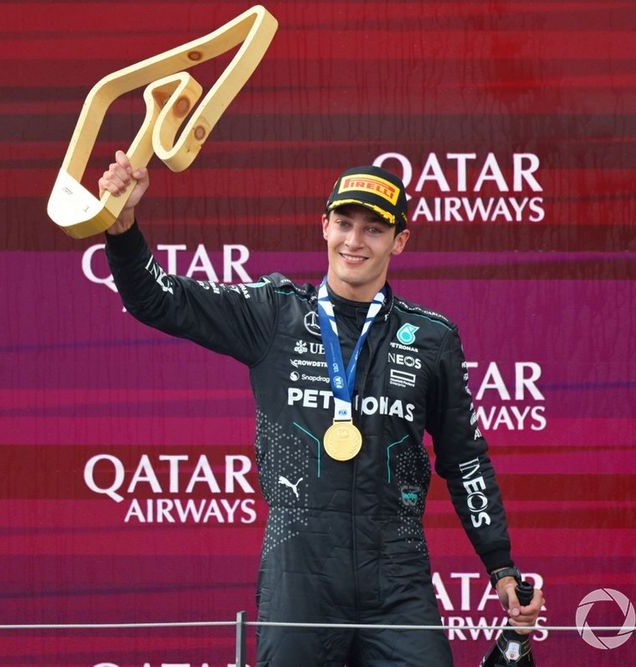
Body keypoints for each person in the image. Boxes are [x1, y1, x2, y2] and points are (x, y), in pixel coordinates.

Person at [100, 151, 544, 666]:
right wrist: (124, 228)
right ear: (324, 226)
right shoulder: (274, 314)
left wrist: (500, 566)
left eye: (374, 230)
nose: (354, 241)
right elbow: (157, 299)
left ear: (399, 241)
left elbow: (465, 458)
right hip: (300, 575)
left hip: (396, 575)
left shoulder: (431, 338)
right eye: (344, 223)